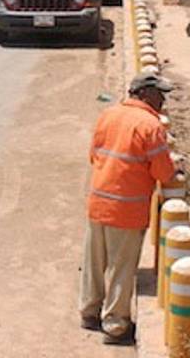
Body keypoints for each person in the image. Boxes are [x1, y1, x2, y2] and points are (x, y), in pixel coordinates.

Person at [79, 71, 176, 345]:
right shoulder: (150, 126)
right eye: (160, 94)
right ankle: (116, 325)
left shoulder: (108, 115)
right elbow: (163, 172)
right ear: (145, 94)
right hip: (127, 210)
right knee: (122, 268)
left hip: (98, 202)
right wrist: (175, 171)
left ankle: (89, 312)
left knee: (94, 263)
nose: (163, 101)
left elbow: (93, 155)